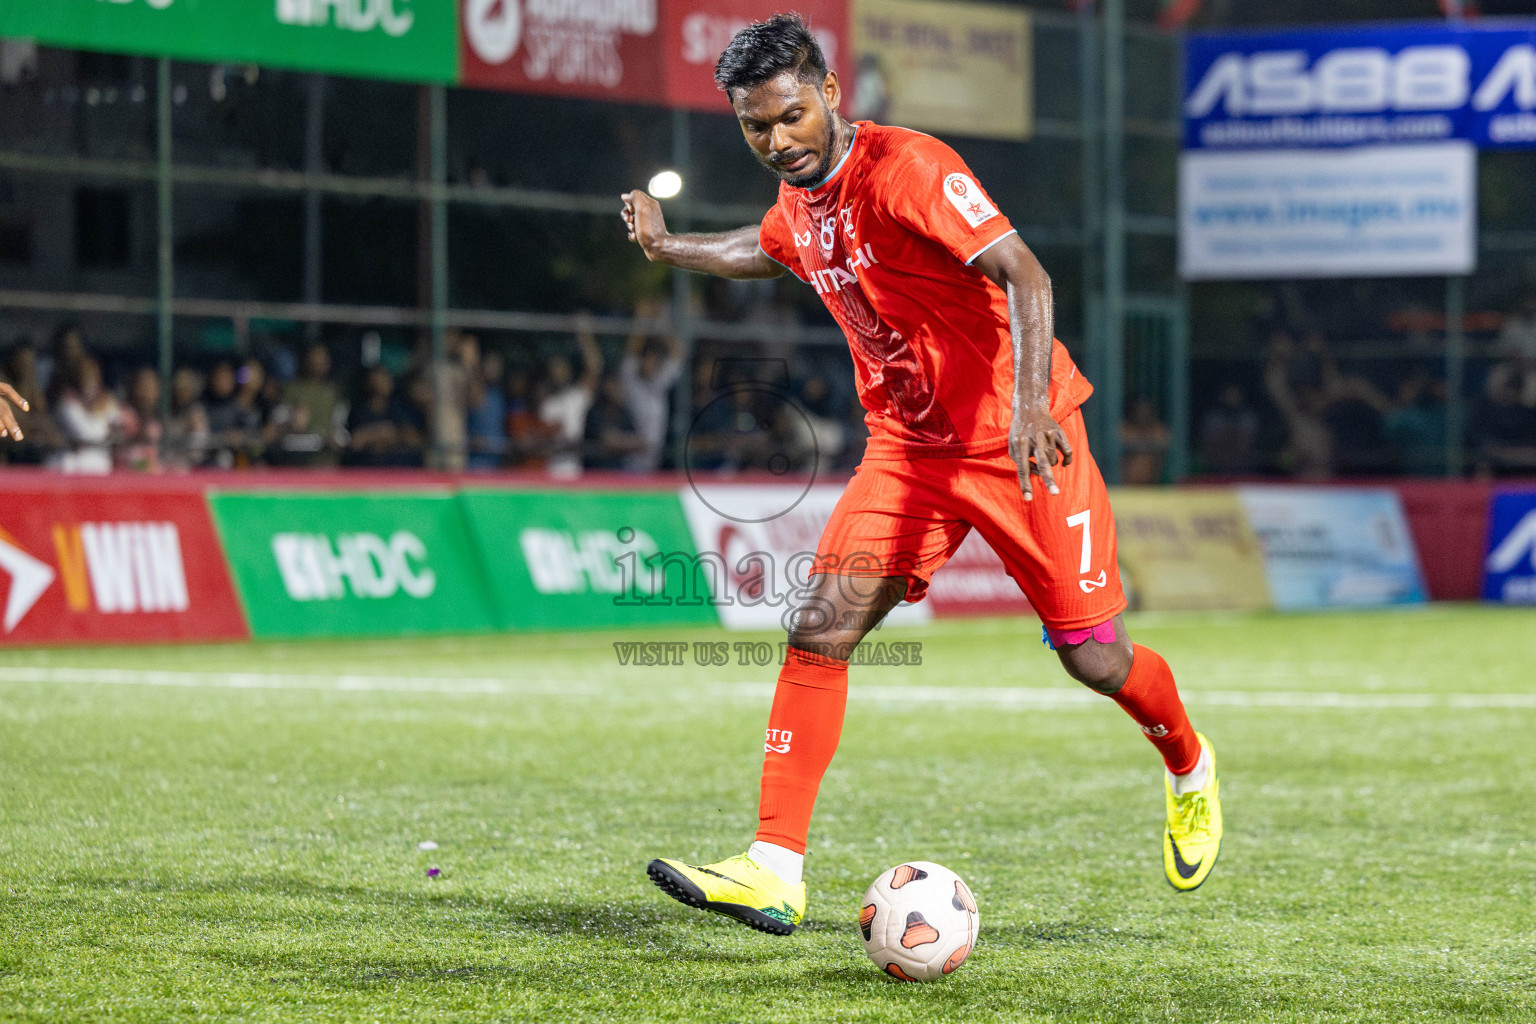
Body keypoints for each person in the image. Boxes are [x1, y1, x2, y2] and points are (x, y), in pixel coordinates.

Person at [622, 13, 1223, 935]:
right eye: (755, 126)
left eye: (789, 116)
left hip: (1024, 441)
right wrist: (673, 249)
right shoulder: (804, 197)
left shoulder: (906, 168)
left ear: (827, 89)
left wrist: (1027, 405)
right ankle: (774, 867)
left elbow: (1027, 276)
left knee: (1093, 657)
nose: (777, 141)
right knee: (819, 628)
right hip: (907, 450)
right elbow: (771, 246)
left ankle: (1186, 760)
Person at [618, 298, 683, 471]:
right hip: (629, 459)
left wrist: (663, 322)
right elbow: (630, 352)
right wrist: (641, 319)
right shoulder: (632, 381)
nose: (651, 363)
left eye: (655, 360)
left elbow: (678, 355)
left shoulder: (659, 382)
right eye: (647, 359)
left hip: (654, 460)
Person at [538, 327, 602, 478]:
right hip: (547, 471)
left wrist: (585, 335)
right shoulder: (543, 404)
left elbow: (595, 368)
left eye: (562, 368)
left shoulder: (576, 397)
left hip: (573, 470)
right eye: (555, 368)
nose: (559, 372)